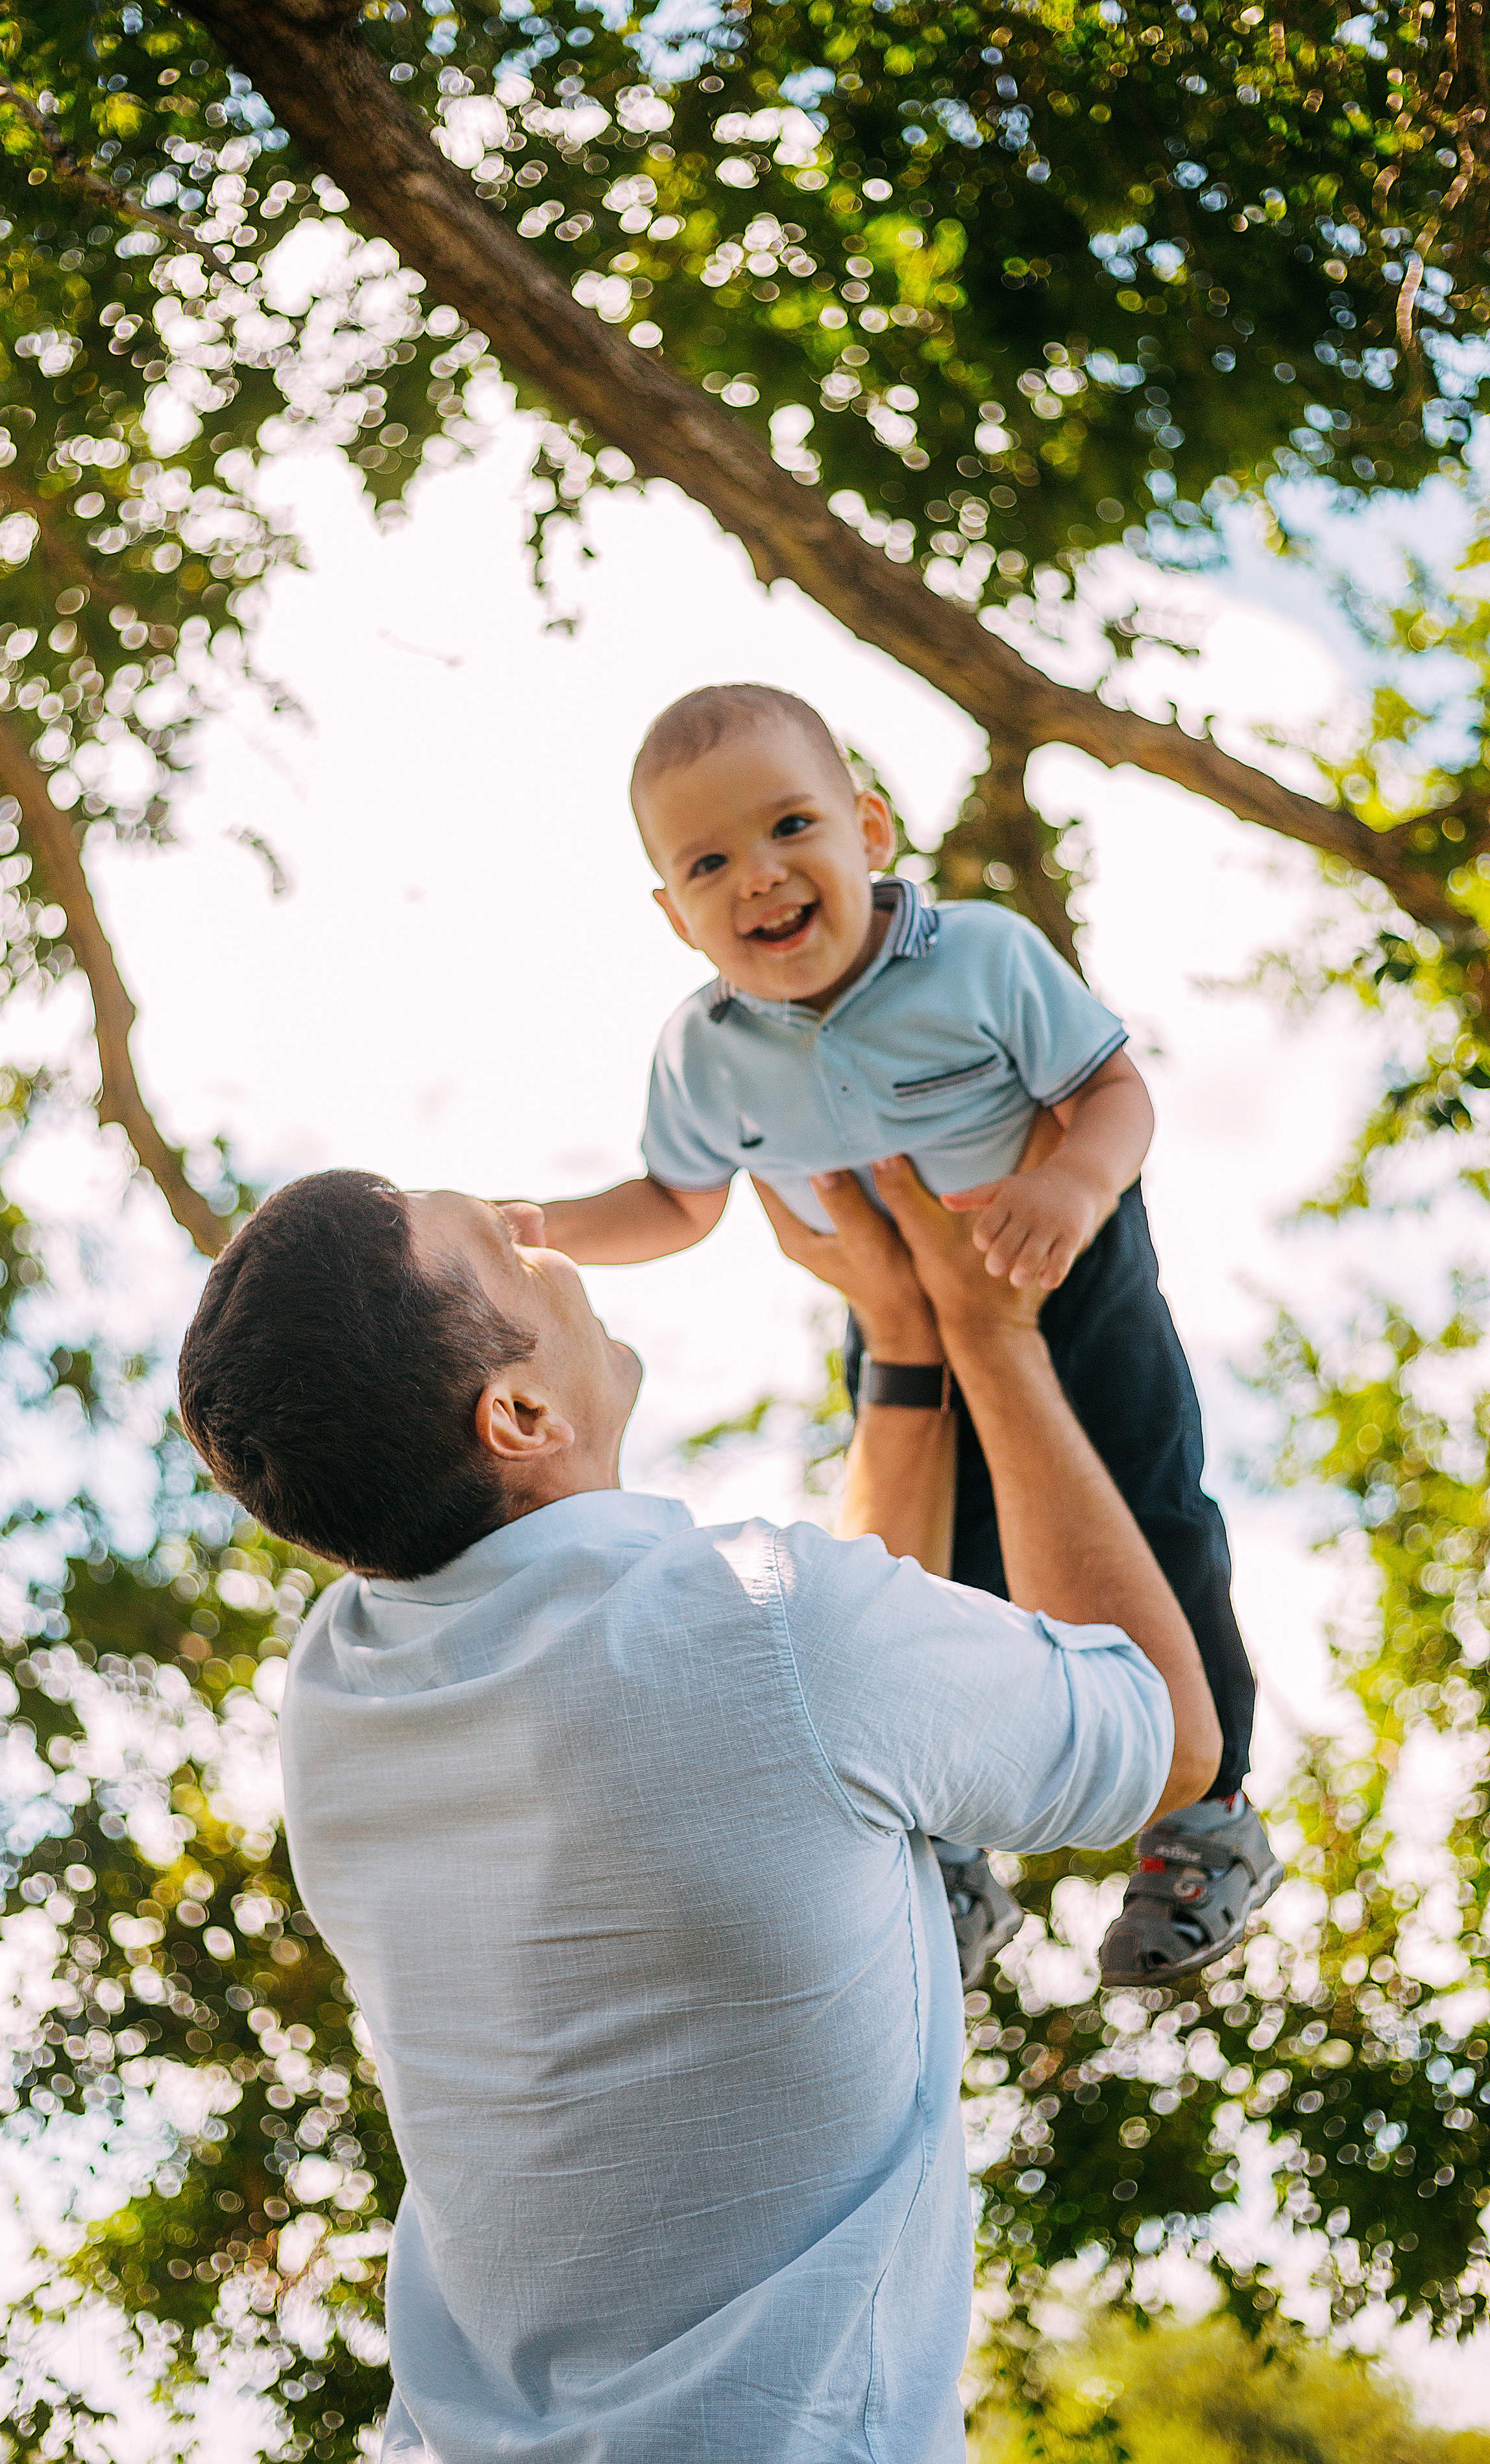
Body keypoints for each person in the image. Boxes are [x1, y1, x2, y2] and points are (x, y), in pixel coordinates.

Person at [178, 1153, 1219, 2464]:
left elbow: (821, 1732)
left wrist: (901, 1352)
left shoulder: (339, 1694)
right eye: (498, 1245)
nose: (533, 1225)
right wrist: (988, 1330)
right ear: (518, 1415)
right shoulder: (777, 1636)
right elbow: (1169, 1741)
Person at [528, 681, 1280, 1990]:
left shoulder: (979, 957)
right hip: (899, 1323)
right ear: (672, 912)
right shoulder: (702, 1055)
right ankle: (949, 1851)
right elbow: (675, 1202)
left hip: (1072, 1278)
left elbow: (1112, 1090)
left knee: (1150, 1514)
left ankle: (1208, 1824)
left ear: (868, 832)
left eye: (789, 827)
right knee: (937, 1583)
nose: (758, 876)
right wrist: (538, 1228)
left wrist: (1074, 1182)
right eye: (707, 864)